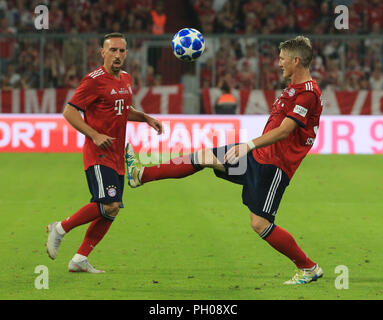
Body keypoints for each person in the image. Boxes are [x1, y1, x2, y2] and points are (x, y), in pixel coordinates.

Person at [126, 36, 324, 284]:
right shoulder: (292, 89)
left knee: (260, 223)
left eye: (282, 58)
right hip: (257, 156)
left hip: (273, 167)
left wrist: (248, 145)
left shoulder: (308, 94)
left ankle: (308, 267)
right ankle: (140, 175)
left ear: (296, 60)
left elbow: (285, 130)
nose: (278, 63)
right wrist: (250, 148)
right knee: (202, 156)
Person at [45, 33, 163, 273]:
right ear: (102, 52)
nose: (117, 55)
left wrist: (145, 118)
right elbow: (69, 112)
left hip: (117, 154)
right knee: (109, 204)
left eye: (121, 51)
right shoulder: (93, 80)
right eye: (113, 50)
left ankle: (79, 259)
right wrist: (94, 135)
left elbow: (122, 109)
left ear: (127, 53)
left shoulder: (127, 79)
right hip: (98, 153)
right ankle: (60, 228)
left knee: (112, 209)